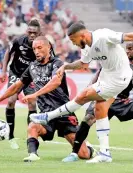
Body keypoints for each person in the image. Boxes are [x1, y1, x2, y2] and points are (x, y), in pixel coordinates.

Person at [30, 21, 133, 163]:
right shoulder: (86, 47)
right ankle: (105, 153)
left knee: (83, 95)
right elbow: (83, 64)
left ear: (83, 35)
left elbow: (128, 36)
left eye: (74, 40)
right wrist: (66, 66)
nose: (73, 44)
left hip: (120, 77)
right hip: (107, 76)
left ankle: (48, 117)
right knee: (99, 109)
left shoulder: (103, 36)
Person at [0, 36, 93, 162]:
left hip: (64, 113)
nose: (36, 51)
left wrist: (35, 94)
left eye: (40, 48)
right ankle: (33, 154)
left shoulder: (57, 63)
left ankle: (90, 148)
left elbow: (55, 82)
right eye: (34, 48)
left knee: (84, 154)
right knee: (32, 126)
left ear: (48, 47)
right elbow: (16, 86)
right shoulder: (32, 67)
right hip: (46, 115)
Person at [62, 42, 133, 162]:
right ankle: (74, 153)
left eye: (131, 49)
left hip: (121, 100)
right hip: (104, 95)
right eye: (127, 49)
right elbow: (98, 74)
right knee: (87, 119)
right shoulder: (117, 61)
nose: (128, 51)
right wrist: (89, 90)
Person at [0, 19, 41, 149]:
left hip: (30, 77)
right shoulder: (18, 41)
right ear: (26, 31)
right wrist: (3, 71)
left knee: (32, 103)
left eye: (35, 32)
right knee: (11, 100)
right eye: (30, 32)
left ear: (39, 32)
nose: (32, 35)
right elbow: (8, 53)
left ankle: (31, 136)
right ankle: (10, 136)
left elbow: (50, 60)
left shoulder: (44, 44)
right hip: (16, 74)